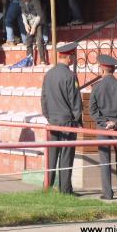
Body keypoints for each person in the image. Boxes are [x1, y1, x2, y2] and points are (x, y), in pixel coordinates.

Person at [89, 55, 117, 200]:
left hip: (103, 128)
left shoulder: (96, 87)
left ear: (102, 68)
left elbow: (93, 110)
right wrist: (116, 122)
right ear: (113, 69)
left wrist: (104, 123)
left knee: (104, 159)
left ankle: (107, 193)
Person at [41, 42, 83, 194]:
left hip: (53, 121)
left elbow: (44, 100)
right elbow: (75, 101)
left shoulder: (49, 74)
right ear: (69, 57)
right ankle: (65, 189)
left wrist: (49, 117)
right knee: (66, 155)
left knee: (52, 155)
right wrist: (78, 120)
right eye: (73, 56)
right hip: (67, 122)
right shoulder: (70, 76)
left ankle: (47, 186)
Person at [20, 0, 47, 65]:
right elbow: (23, 14)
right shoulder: (21, 2)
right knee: (28, 41)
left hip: (38, 21)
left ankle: (42, 60)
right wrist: (26, 24)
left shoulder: (35, 1)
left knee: (39, 40)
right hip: (29, 22)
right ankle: (29, 61)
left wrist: (34, 26)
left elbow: (39, 15)